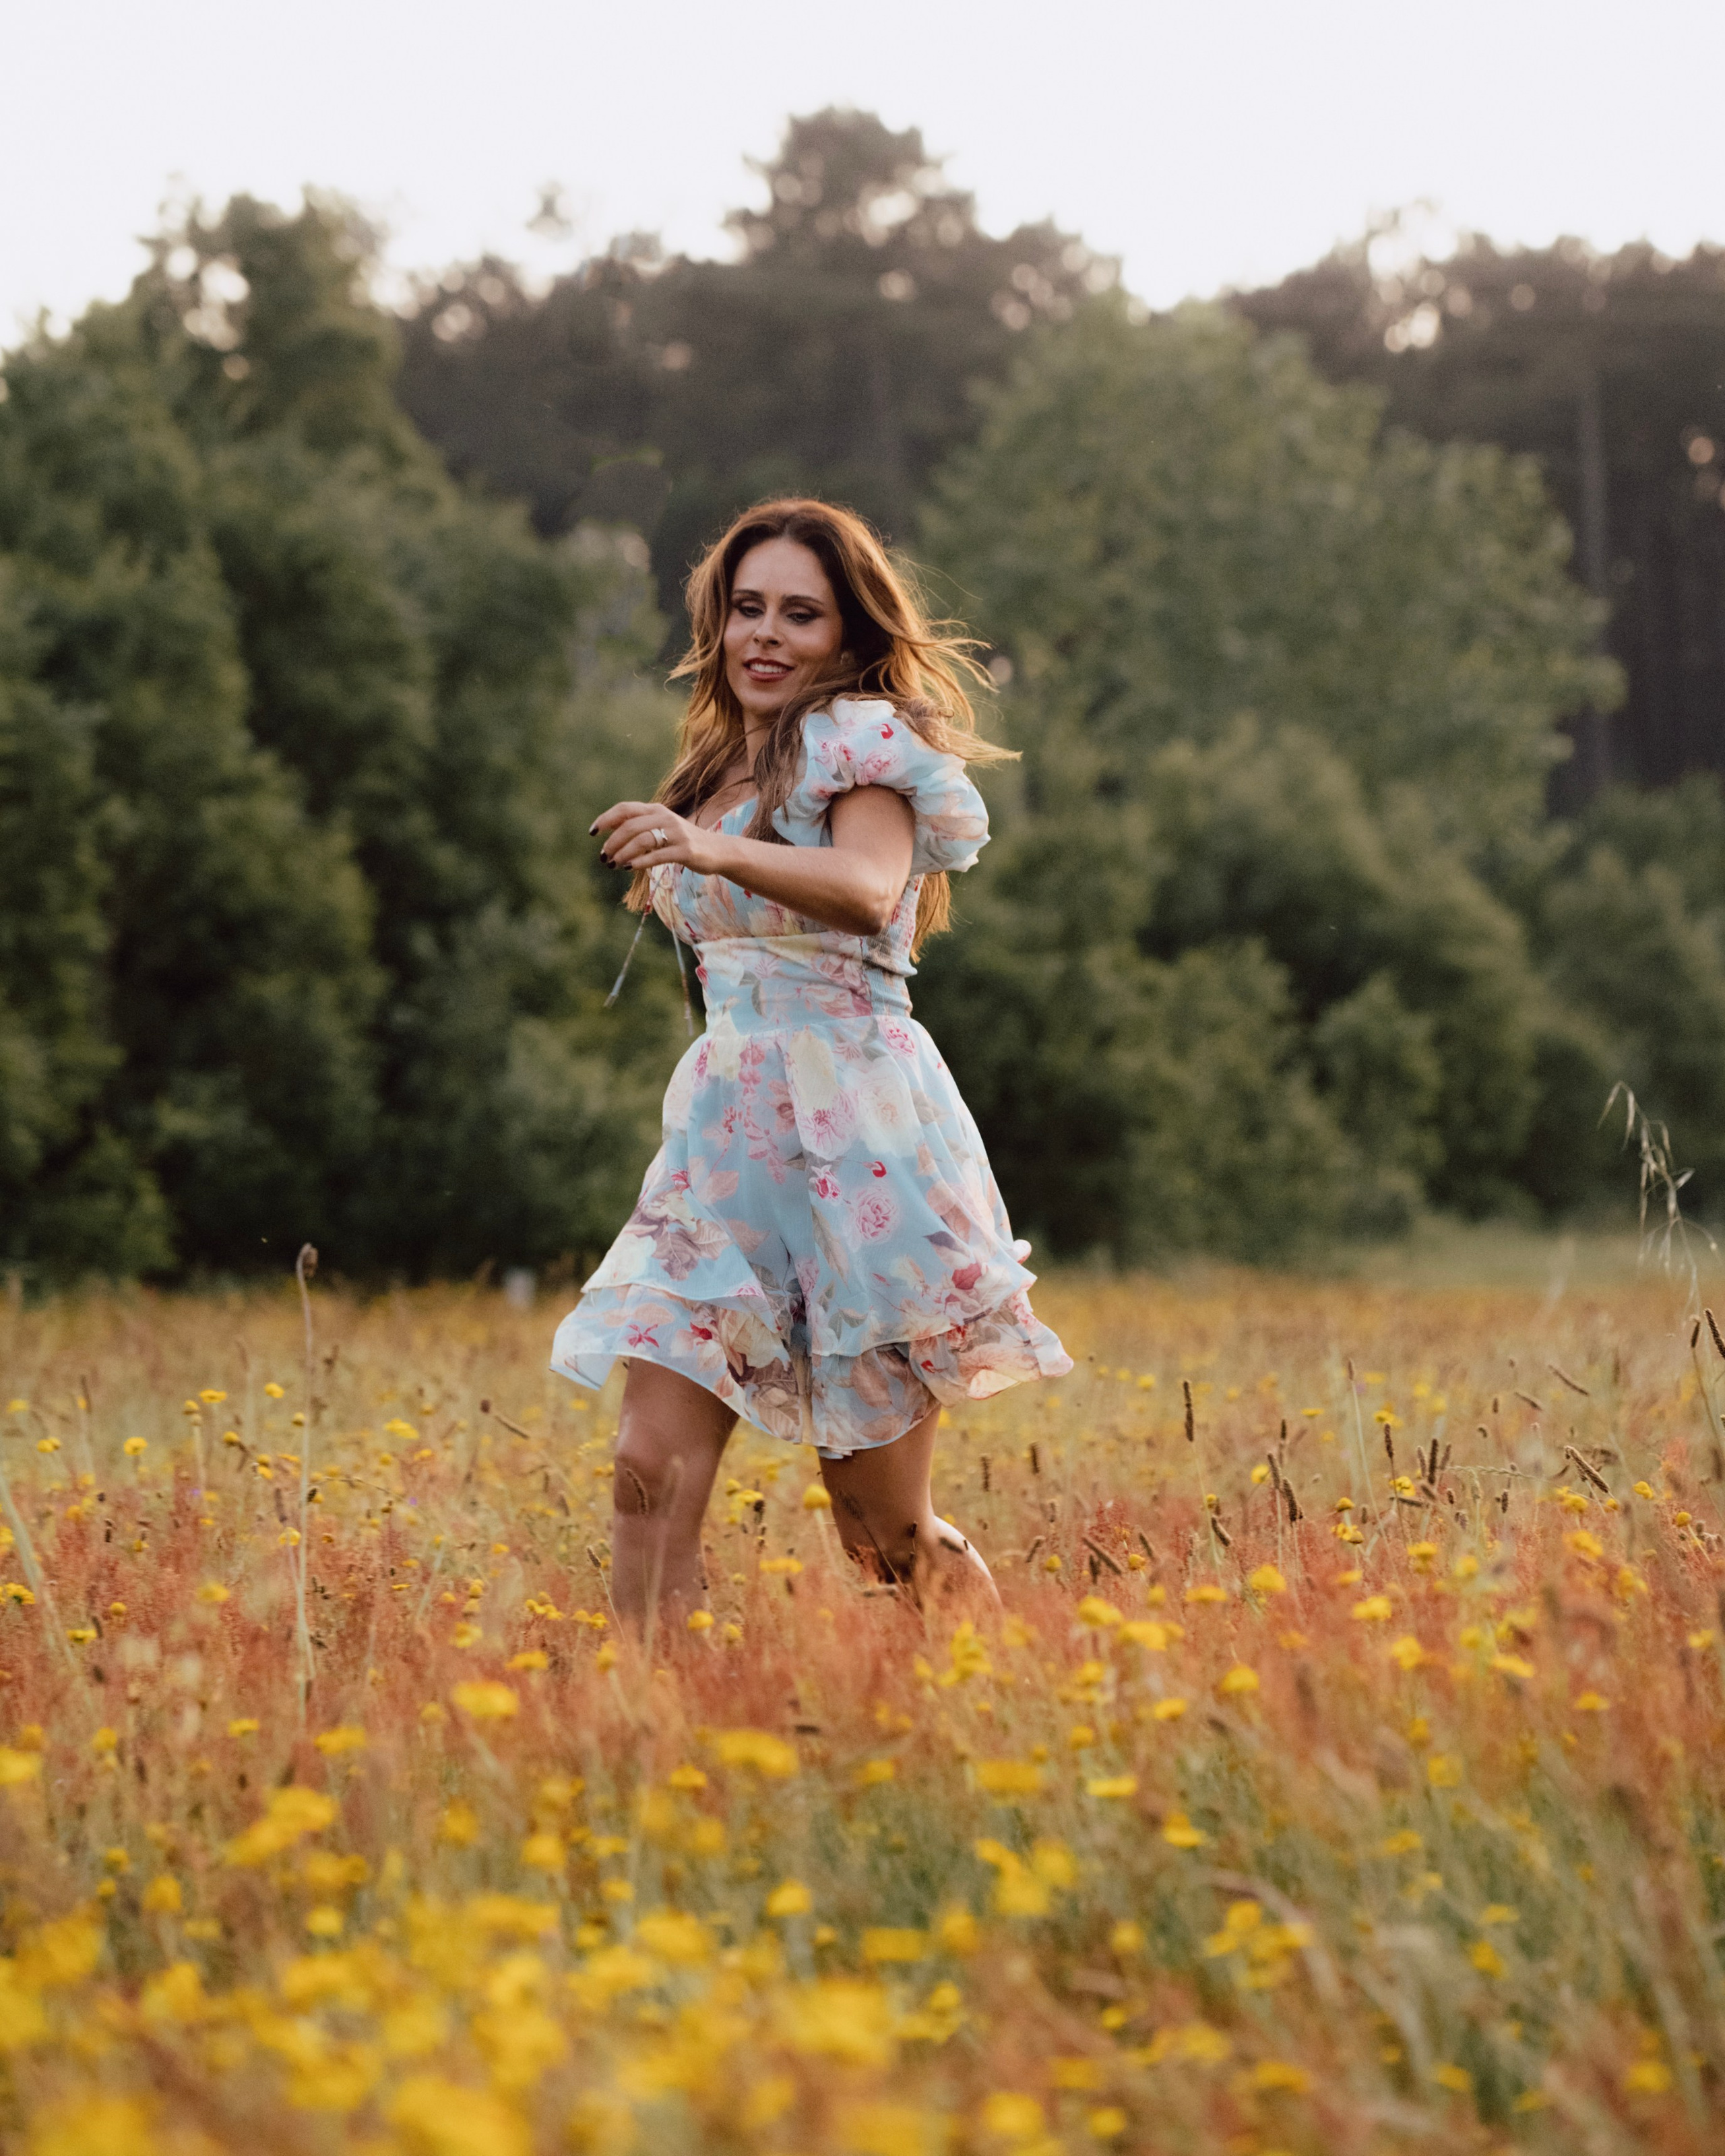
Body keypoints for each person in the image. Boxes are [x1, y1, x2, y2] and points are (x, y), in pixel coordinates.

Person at [551, 499, 1070, 1627]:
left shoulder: (863, 746)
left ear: (848, 635)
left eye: (801, 613)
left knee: (879, 1527)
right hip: (726, 1141)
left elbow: (868, 890)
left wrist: (706, 846)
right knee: (649, 1467)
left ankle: (998, 1699)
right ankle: (646, 1735)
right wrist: (702, 832)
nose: (767, 636)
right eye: (747, 610)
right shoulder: (714, 768)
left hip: (861, 1137)